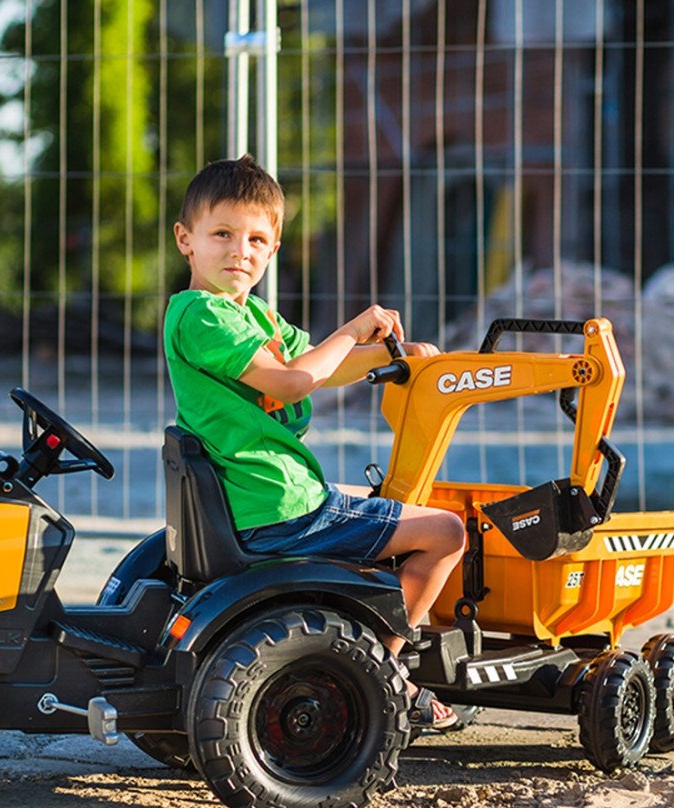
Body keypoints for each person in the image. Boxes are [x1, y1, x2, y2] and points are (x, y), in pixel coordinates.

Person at [164, 154, 466, 729]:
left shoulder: (252, 314)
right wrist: (353, 327)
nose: (239, 251)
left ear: (273, 248)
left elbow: (326, 365)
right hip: (273, 505)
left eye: (256, 238)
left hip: (267, 492)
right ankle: (385, 668)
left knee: (390, 498)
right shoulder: (204, 316)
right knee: (446, 531)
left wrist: (398, 354)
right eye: (222, 234)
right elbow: (295, 379)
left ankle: (370, 636)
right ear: (187, 240)